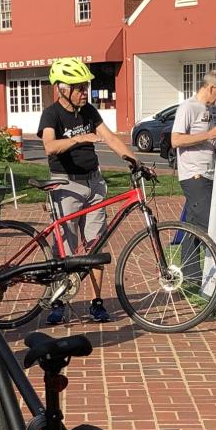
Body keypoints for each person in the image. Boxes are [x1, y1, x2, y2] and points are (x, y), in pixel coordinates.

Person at [37, 57, 143, 324]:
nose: (85, 92)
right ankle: (59, 301)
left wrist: (134, 161)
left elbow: (110, 137)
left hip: (94, 183)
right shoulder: (51, 114)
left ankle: (97, 303)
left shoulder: (89, 112)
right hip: (65, 184)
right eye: (79, 87)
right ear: (62, 89)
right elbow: (49, 146)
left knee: (96, 246)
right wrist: (78, 139)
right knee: (66, 248)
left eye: (85, 86)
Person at [170, 71, 216, 242]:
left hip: (209, 173)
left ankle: (190, 269)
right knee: (211, 225)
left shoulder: (208, 109)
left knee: (192, 228)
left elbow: (210, 139)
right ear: (212, 88)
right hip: (195, 175)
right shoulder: (188, 107)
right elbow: (175, 140)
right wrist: (208, 135)